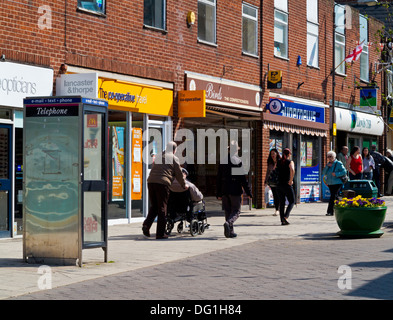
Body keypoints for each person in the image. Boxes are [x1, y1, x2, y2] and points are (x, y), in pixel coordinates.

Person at [142, 141, 188, 239]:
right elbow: (179, 174)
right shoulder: (174, 158)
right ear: (174, 150)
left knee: (154, 206)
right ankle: (160, 233)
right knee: (162, 208)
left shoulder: (159, 156)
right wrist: (184, 185)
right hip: (162, 184)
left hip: (151, 182)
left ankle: (146, 225)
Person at [217, 140, 252, 238]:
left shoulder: (223, 161)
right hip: (235, 190)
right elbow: (242, 179)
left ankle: (229, 232)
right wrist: (249, 192)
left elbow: (219, 178)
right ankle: (229, 223)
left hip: (224, 190)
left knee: (228, 210)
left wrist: (218, 193)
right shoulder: (237, 161)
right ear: (236, 150)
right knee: (236, 211)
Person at [322, 151, 347, 216]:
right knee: (335, 197)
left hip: (337, 182)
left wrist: (336, 174)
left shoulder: (338, 163)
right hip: (330, 183)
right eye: (328, 157)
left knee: (332, 196)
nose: (329, 158)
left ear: (334, 157)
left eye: (331, 157)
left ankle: (330, 211)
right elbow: (324, 173)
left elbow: (344, 172)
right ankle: (341, 208)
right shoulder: (328, 164)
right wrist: (327, 166)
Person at [277, 148, 295, 225]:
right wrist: (291, 180)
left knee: (282, 202)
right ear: (289, 154)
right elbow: (292, 169)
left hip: (279, 184)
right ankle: (285, 217)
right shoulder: (290, 162)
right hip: (286, 184)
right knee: (292, 201)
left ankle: (282, 219)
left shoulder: (279, 162)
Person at [264, 148, 281, 216]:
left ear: (277, 153)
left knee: (279, 195)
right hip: (273, 181)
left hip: (279, 181)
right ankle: (277, 209)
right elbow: (268, 172)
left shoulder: (280, 161)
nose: (273, 155)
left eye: (274, 153)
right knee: (275, 195)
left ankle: (279, 208)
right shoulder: (270, 163)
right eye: (271, 154)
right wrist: (265, 181)